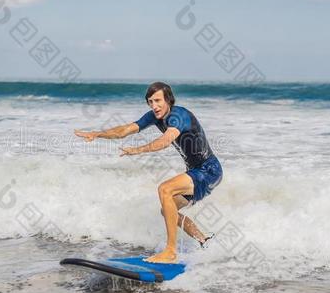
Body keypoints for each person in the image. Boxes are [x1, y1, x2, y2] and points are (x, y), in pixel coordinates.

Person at [74, 82, 223, 263]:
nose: (154, 106)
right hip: (197, 172)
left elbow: (165, 140)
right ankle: (204, 241)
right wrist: (97, 134)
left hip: (209, 170)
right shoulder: (154, 116)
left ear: (168, 99)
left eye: (158, 101)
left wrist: (138, 150)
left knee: (165, 189)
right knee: (168, 210)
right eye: (150, 102)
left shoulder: (178, 115)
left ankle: (170, 251)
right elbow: (126, 130)